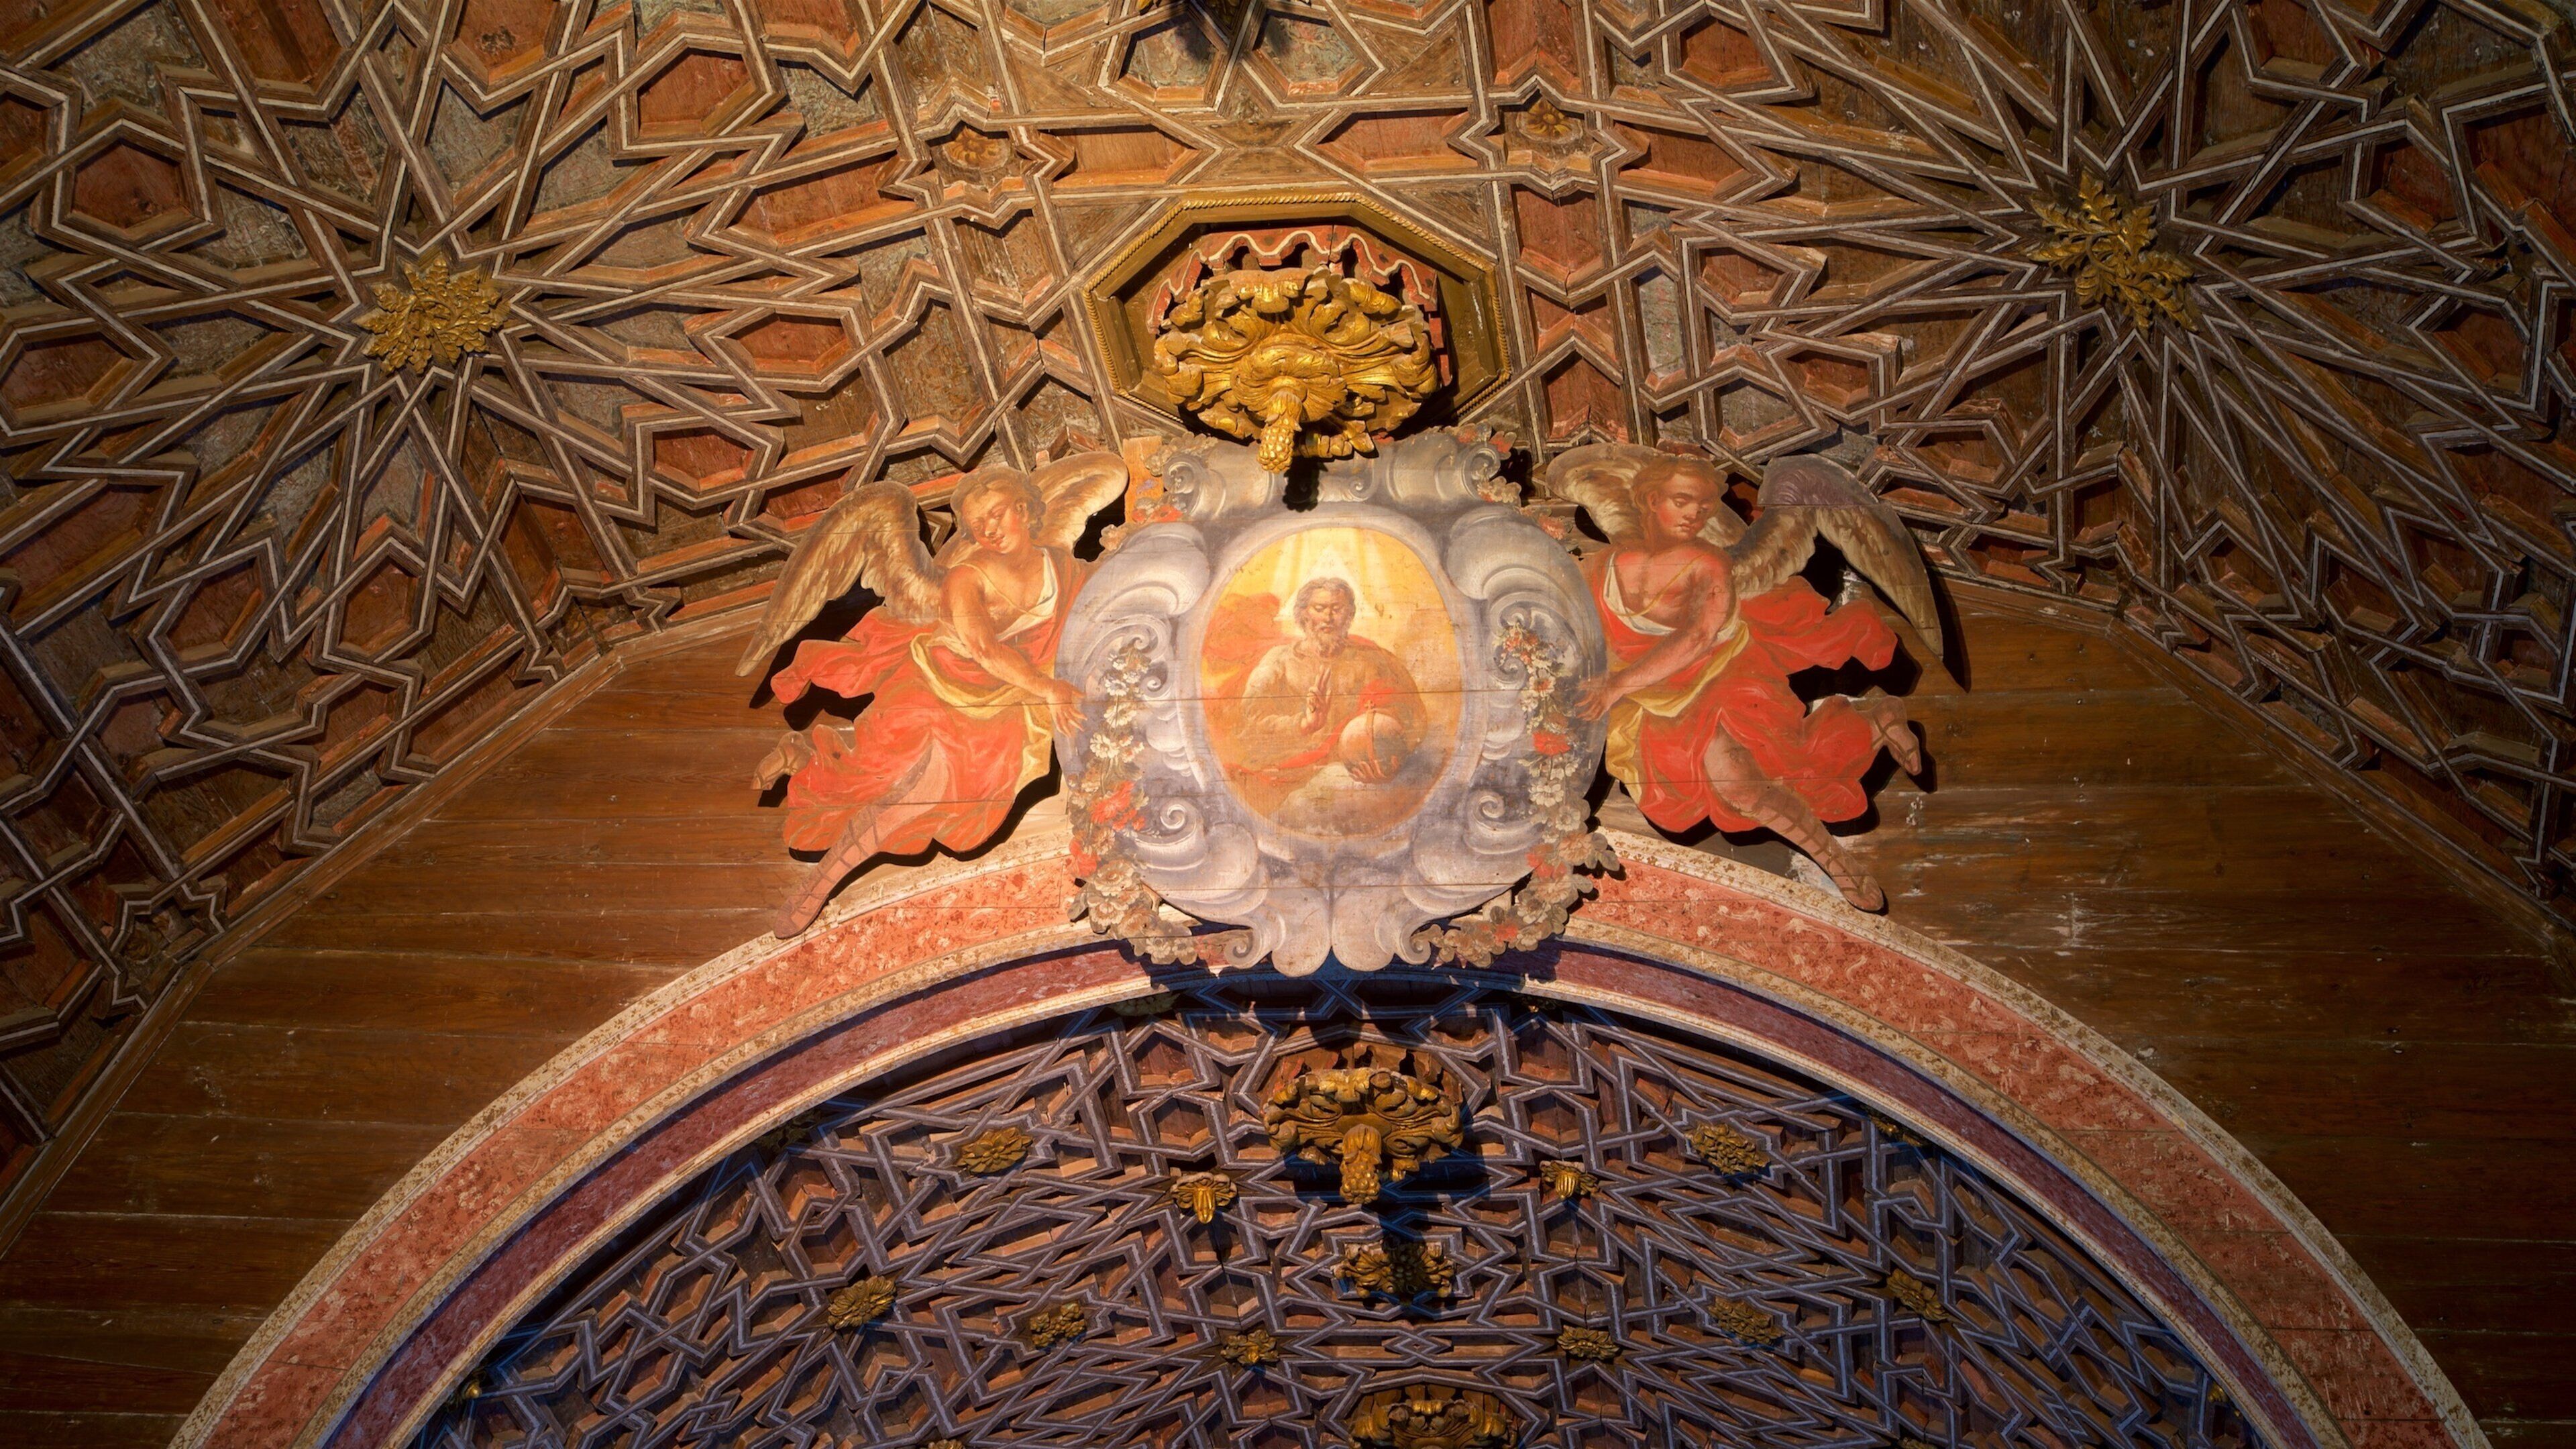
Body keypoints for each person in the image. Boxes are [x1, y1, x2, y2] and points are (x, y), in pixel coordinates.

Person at [1222, 577, 1430, 833]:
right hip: (1291, 772)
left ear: (1349, 615)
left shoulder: (1372, 660)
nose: (1328, 618)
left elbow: (1411, 716)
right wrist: (1303, 723)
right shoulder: (1279, 661)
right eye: (1319, 609)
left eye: (1336, 609)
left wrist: (1387, 759)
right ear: (1303, 615)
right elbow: (1250, 719)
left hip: (1359, 772)